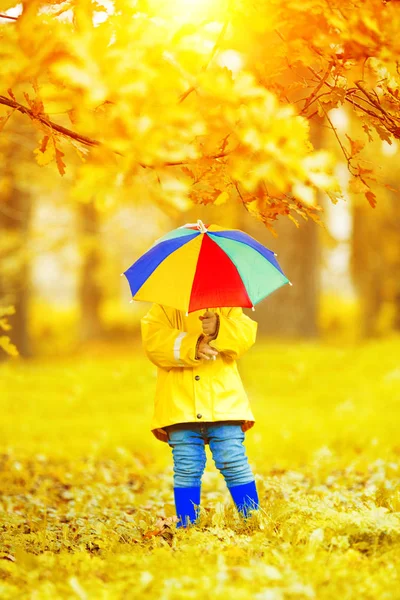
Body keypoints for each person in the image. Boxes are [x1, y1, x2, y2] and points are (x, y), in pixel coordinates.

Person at [141, 304, 260, 528]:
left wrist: (219, 329)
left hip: (222, 403)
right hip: (180, 404)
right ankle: (187, 525)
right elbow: (153, 343)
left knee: (233, 460)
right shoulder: (163, 310)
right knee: (187, 466)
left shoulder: (227, 309)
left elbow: (245, 336)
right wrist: (192, 345)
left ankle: (253, 519)